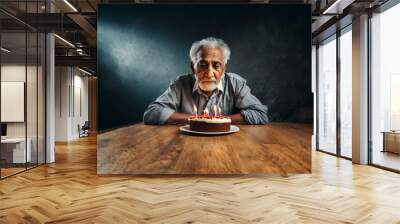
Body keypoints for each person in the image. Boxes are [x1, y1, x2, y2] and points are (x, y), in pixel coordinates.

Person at [143, 37, 269, 125]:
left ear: (224, 67)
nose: (209, 73)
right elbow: (152, 113)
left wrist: (220, 120)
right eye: (202, 65)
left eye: (216, 65)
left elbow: (260, 114)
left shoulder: (236, 84)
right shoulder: (180, 84)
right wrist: (197, 120)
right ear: (193, 67)